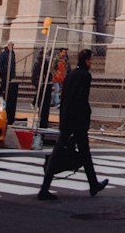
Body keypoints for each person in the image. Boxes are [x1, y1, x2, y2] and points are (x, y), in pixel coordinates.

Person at [37, 49, 108, 200]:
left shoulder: (71, 75)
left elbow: (65, 98)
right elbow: (82, 100)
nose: (92, 63)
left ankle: (45, 187)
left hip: (67, 119)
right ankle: (93, 184)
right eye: (91, 60)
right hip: (78, 121)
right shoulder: (85, 76)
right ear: (87, 60)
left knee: (61, 152)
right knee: (84, 153)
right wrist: (85, 120)